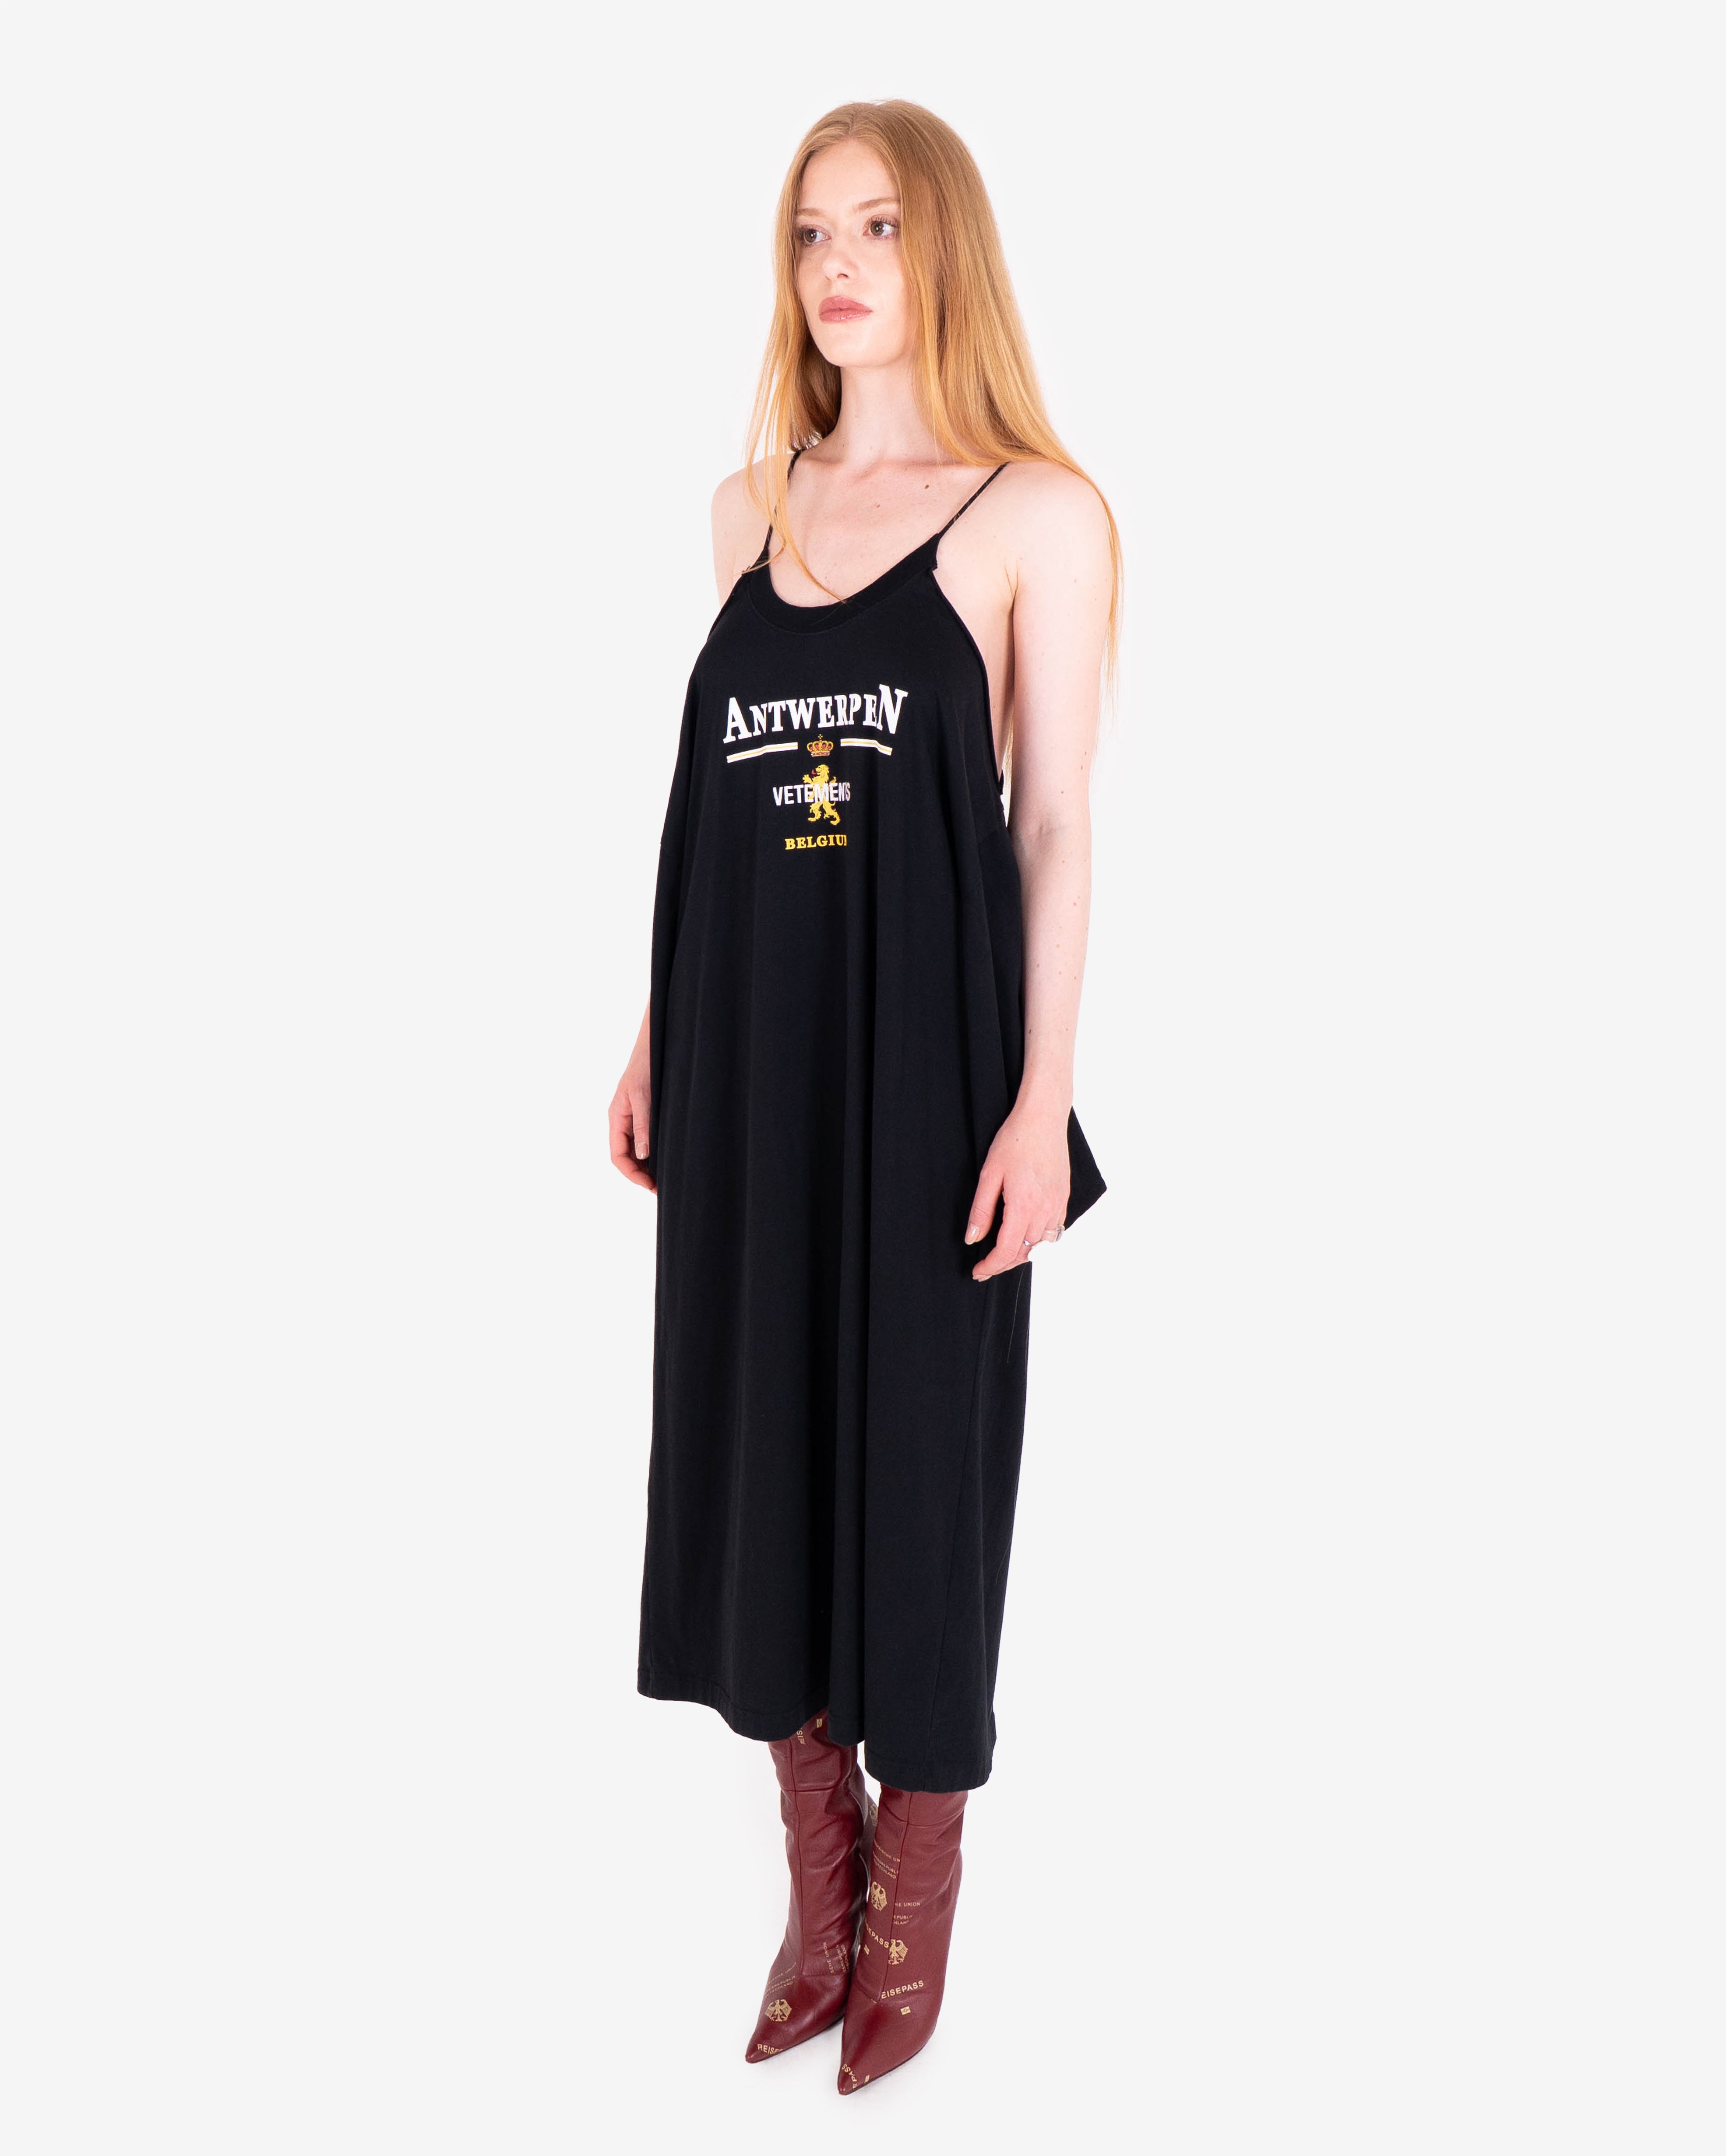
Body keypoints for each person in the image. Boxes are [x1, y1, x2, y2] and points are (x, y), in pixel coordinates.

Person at [608, 98, 1117, 2093]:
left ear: (945, 248)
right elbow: (708, 821)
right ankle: (813, 1882)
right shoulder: (742, 511)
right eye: (812, 230)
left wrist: (1042, 1095)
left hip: (933, 1078)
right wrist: (657, 1028)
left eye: (879, 226)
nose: (838, 264)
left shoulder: (1034, 516)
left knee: (922, 1460)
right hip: (745, 1064)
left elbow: (1054, 821)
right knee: (751, 1448)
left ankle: (917, 1884)